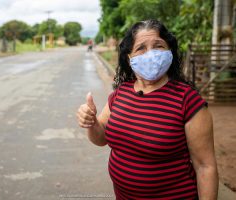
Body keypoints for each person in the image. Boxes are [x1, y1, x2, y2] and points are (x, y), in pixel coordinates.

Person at [77, 19, 218, 199]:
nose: (150, 54)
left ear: (170, 52)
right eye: (141, 48)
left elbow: (205, 167)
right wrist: (91, 123)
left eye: (158, 46)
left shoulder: (188, 101)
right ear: (129, 57)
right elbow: (101, 137)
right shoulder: (120, 93)